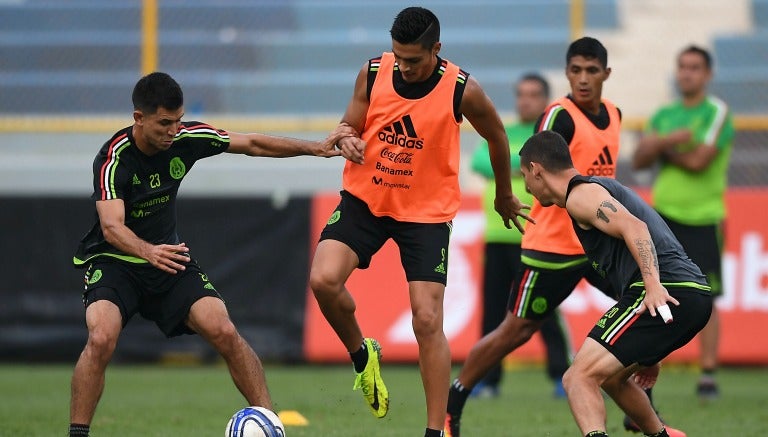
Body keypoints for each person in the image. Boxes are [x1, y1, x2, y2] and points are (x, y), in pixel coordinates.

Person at [69, 71, 353, 437]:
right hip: (115, 262)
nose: (173, 131)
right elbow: (111, 227)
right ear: (138, 118)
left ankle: (269, 423)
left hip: (167, 258)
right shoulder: (114, 158)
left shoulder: (186, 138)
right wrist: (148, 251)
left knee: (223, 328)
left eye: (178, 121)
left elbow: (252, 143)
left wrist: (314, 148)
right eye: (164, 123)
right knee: (102, 337)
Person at [308, 7, 531, 437]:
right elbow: (348, 123)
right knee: (323, 280)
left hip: (425, 215)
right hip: (366, 200)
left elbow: (498, 136)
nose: (404, 67)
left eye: (414, 60)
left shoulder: (461, 89)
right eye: (399, 57)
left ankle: (436, 431)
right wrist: (348, 136)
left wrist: (505, 194)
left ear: (437, 49)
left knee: (427, 320)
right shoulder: (373, 72)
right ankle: (362, 354)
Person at [445, 36, 626, 436]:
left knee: (646, 303)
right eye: (575, 70)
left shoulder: (614, 114)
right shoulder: (557, 117)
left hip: (597, 246)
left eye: (591, 71)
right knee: (515, 330)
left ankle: (641, 404)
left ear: (606, 74)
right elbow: (533, 172)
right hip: (553, 248)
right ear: (566, 73)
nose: (583, 79)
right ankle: (453, 400)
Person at [519, 130, 712, 437]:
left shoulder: (580, 195)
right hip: (691, 294)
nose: (525, 185)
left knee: (577, 378)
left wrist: (652, 286)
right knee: (611, 377)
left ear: (536, 169)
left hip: (669, 288)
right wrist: (649, 349)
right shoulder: (595, 191)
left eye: (524, 175)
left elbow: (635, 228)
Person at [632, 45, 734, 400]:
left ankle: (707, 373)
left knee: (708, 295)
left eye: (694, 67)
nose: (687, 73)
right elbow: (641, 158)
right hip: (664, 216)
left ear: (707, 74)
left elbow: (699, 162)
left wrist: (661, 146)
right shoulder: (665, 115)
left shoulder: (716, 112)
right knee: (655, 289)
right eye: (682, 67)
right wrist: (669, 142)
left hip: (703, 216)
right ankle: (647, 366)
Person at [469, 73, 572, 399]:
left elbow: (499, 162)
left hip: (536, 236)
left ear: (545, 99)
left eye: (533, 94)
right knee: (493, 311)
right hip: (498, 235)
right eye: (521, 94)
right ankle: (487, 379)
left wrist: (506, 164)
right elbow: (479, 161)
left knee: (544, 309)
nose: (525, 100)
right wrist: (524, 165)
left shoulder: (549, 136)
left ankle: (561, 376)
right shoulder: (502, 130)